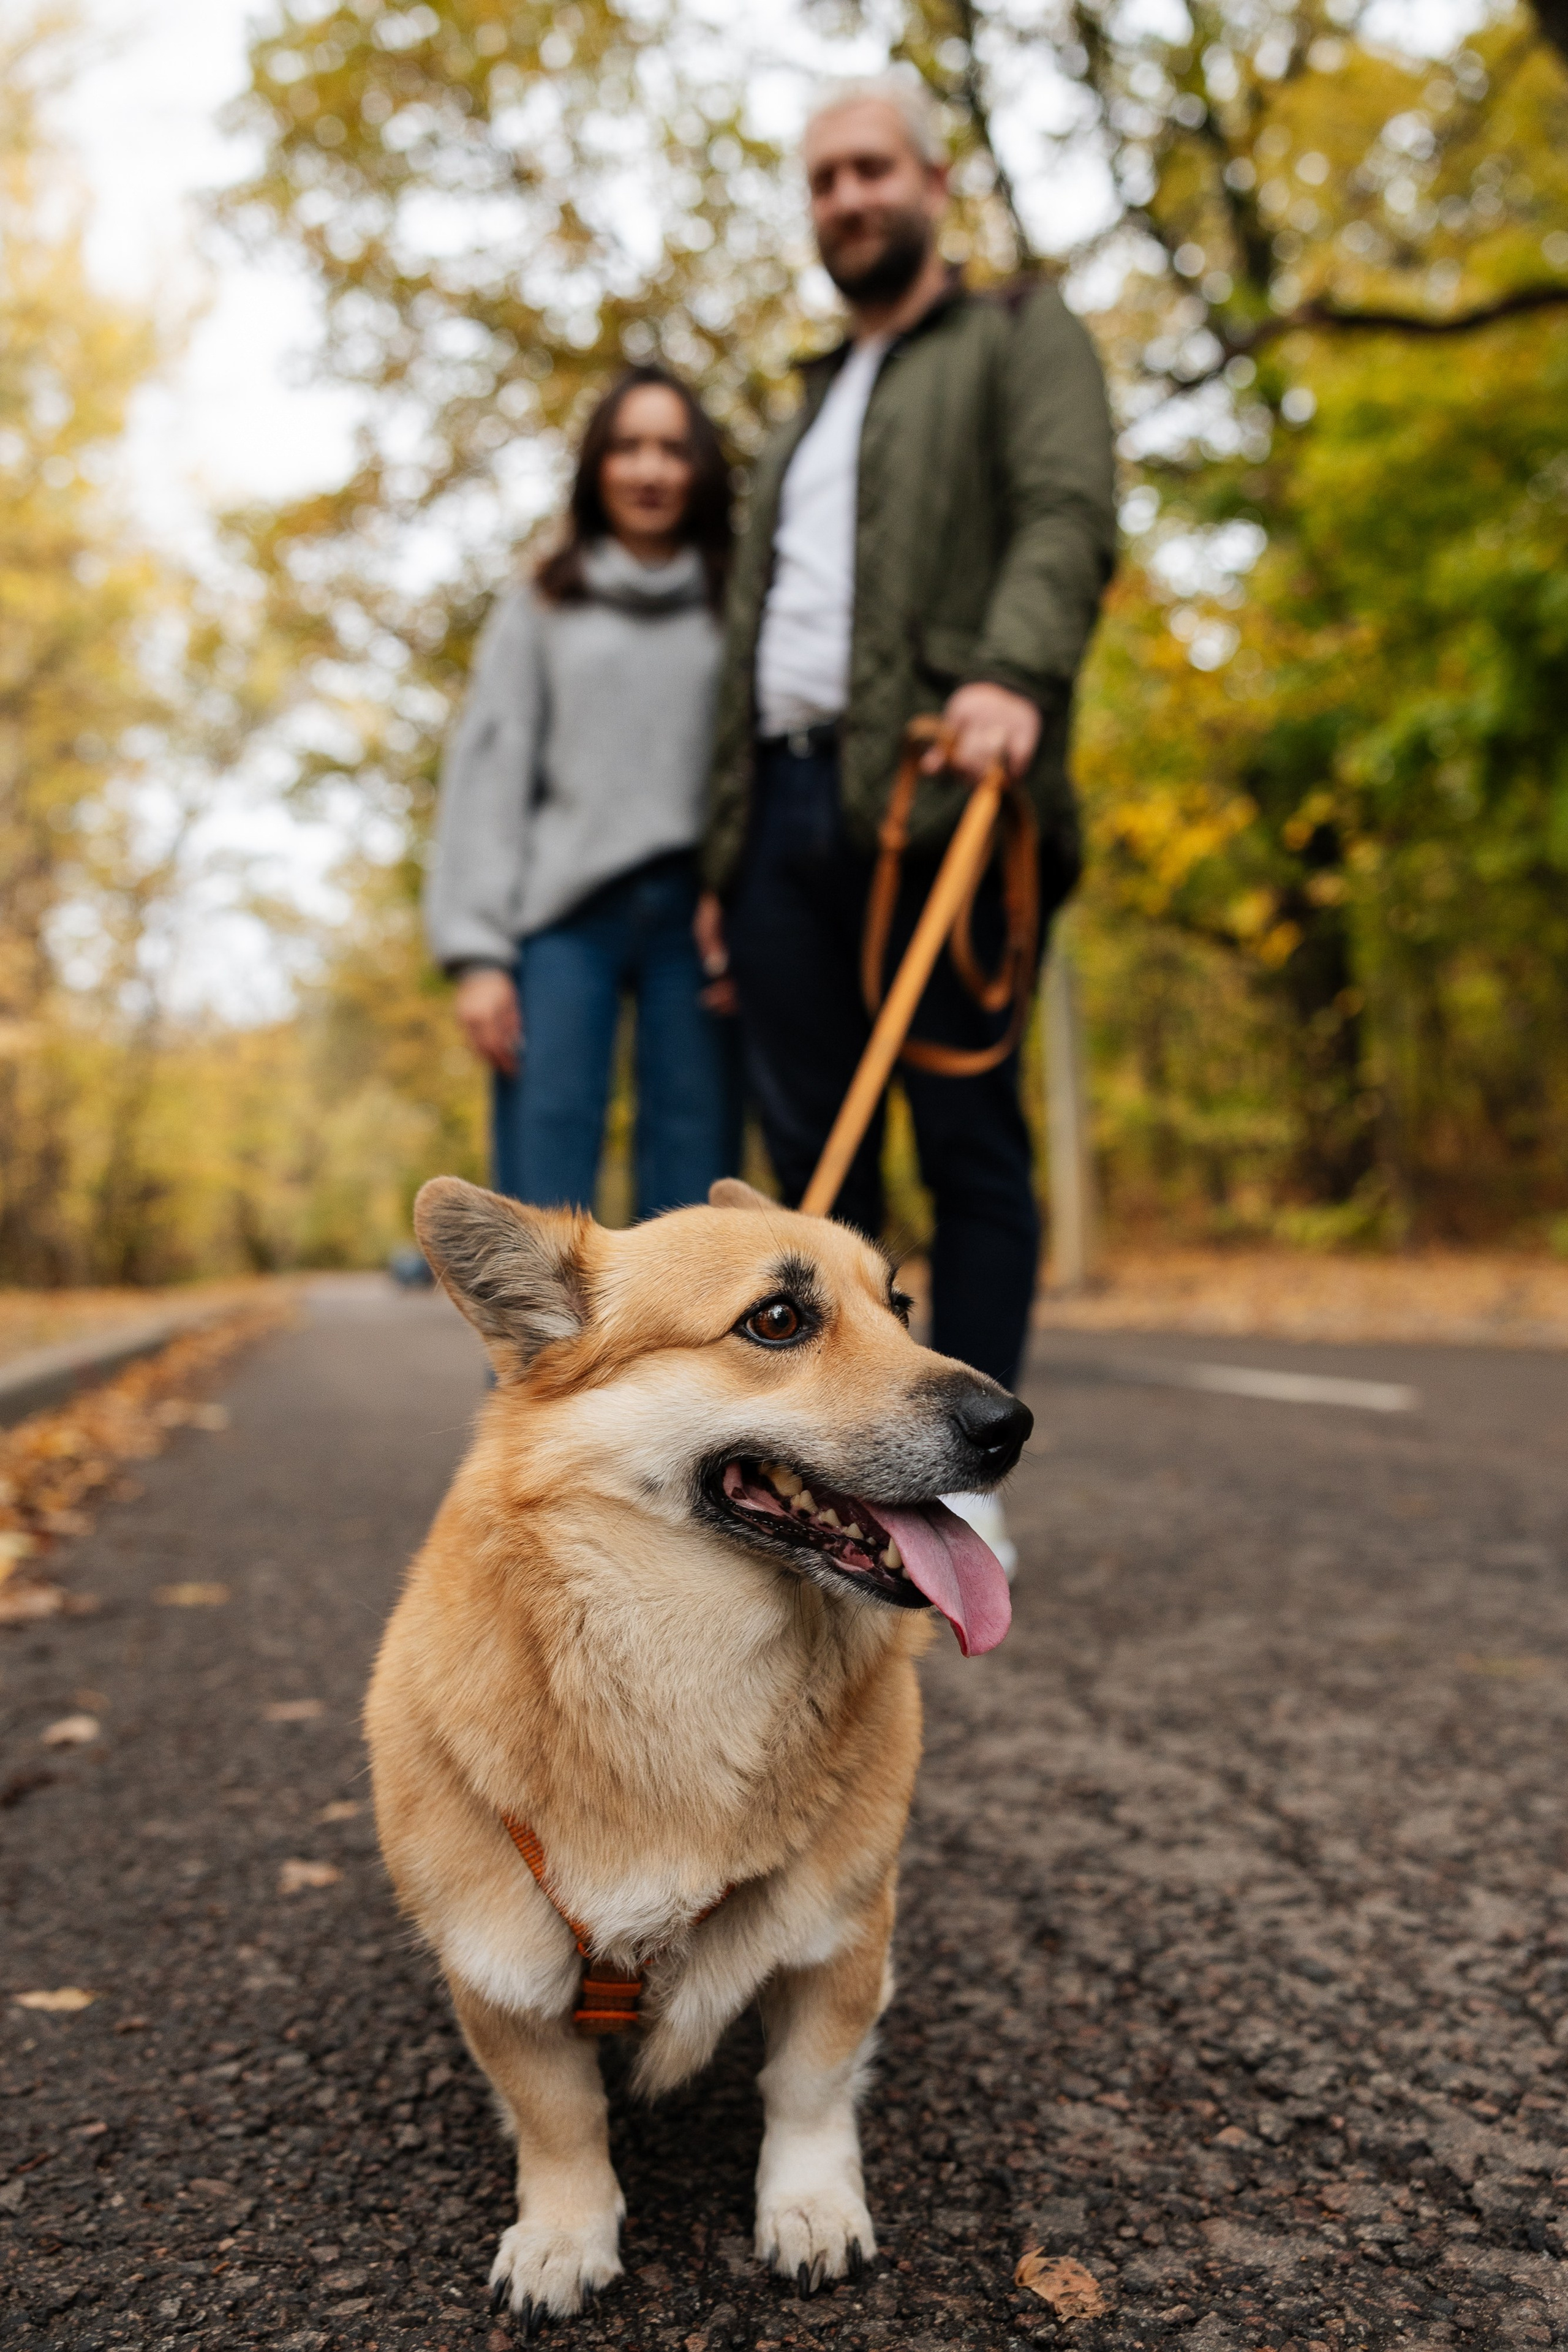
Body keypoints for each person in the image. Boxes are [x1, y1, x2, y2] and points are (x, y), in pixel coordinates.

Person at [695, 75, 1116, 1569]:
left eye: (869, 169)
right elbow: (756, 637)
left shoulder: (1014, 333)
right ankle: (840, 1482)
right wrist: (720, 847)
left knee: (964, 1137)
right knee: (813, 1172)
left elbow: (1066, 510)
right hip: (783, 812)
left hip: (945, 789)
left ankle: (958, 1482)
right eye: (820, 180)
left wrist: (1011, 671)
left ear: (934, 184)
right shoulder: (806, 396)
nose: (845, 199)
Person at [428, 364, 739, 1218]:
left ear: (700, 469)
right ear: (597, 466)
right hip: (564, 924)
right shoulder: (541, 604)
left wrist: (749, 904)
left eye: (672, 450)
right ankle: (529, 1363)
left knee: (694, 1192)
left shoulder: (737, 603)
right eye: (629, 447)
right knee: (543, 1190)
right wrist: (479, 957)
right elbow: (492, 773)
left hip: (698, 927)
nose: (650, 469)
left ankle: (682, 1361)